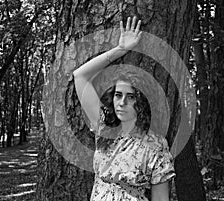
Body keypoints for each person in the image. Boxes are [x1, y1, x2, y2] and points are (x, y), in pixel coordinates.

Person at [73, 16, 175, 201]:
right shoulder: (104, 128)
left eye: (131, 97)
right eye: (118, 95)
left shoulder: (156, 144)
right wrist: (121, 50)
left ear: (142, 102)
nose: (121, 102)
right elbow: (80, 76)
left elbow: (161, 198)